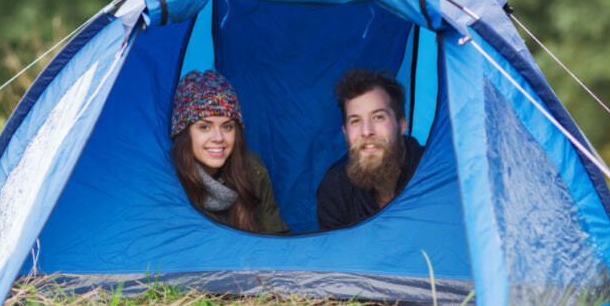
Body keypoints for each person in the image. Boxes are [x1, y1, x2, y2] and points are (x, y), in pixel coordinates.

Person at [170, 70, 290, 234]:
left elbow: (277, 237)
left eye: (227, 127)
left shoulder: (252, 169)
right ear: (184, 133)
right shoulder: (169, 182)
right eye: (205, 127)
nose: (218, 138)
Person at [316, 69, 425, 230]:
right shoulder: (335, 188)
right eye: (355, 121)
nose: (366, 131)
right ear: (345, 133)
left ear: (402, 124)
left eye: (378, 117)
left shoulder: (434, 171)